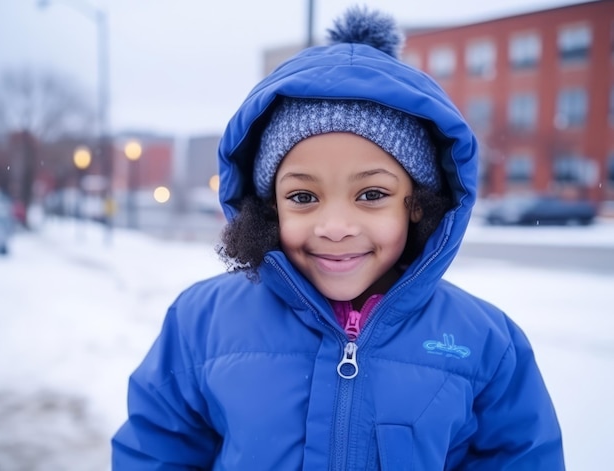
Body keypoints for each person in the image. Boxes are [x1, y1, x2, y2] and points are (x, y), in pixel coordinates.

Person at [112, 6, 565, 470]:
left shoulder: (484, 342)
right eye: (304, 196)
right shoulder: (201, 324)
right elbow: (155, 449)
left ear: (417, 203)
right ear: (270, 207)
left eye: (371, 194)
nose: (335, 226)